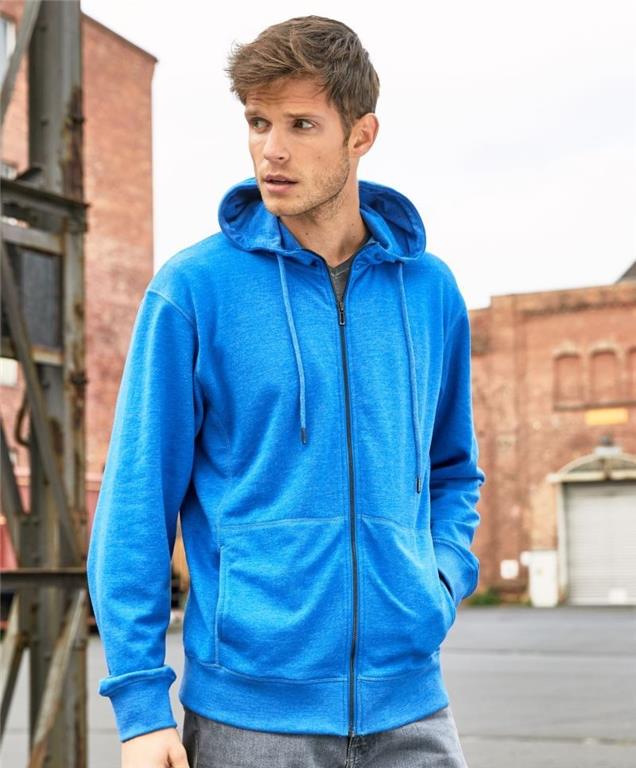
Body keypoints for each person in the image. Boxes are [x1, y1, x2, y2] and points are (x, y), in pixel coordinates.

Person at [86, 15, 486, 768]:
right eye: (258, 122)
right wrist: (140, 709)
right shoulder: (193, 290)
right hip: (250, 720)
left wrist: (438, 580)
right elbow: (137, 503)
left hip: (414, 708)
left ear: (361, 135)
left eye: (301, 124)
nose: (272, 148)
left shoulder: (431, 293)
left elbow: (452, 469)